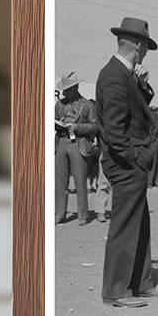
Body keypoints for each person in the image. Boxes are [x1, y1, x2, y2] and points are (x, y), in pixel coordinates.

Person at [95, 16, 158, 308]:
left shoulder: (124, 75)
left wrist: (141, 84)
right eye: (146, 47)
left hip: (129, 161)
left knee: (140, 223)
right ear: (137, 47)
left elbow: (135, 110)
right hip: (125, 163)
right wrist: (139, 158)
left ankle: (139, 283)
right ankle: (116, 290)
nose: (147, 53)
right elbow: (114, 131)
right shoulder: (114, 76)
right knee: (125, 225)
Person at [54, 71, 98, 226]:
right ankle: (59, 214)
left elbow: (94, 126)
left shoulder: (87, 105)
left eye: (68, 88)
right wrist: (58, 123)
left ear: (76, 87)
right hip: (61, 143)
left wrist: (77, 126)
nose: (65, 91)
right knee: (60, 182)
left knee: (80, 182)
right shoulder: (60, 104)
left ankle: (83, 215)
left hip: (79, 144)